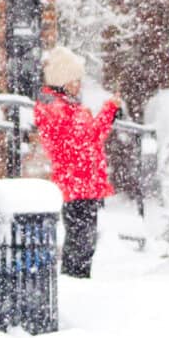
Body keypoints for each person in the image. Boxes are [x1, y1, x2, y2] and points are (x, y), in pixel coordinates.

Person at [33, 46, 120, 279]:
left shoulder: (70, 108)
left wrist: (109, 112)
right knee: (80, 242)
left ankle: (80, 282)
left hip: (84, 184)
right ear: (62, 80)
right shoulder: (57, 111)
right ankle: (76, 284)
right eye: (75, 80)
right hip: (76, 185)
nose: (78, 85)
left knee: (85, 242)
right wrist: (106, 113)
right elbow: (83, 141)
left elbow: (91, 137)